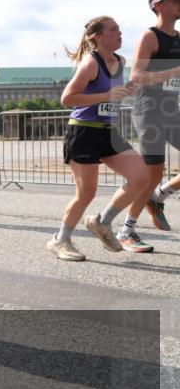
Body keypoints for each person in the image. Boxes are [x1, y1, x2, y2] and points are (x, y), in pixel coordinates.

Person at [47, 16, 147, 260]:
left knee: (140, 177)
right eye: (114, 29)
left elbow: (111, 95)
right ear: (98, 37)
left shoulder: (120, 61)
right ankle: (60, 240)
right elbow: (67, 98)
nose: (120, 33)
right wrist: (106, 94)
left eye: (120, 29)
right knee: (86, 193)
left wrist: (125, 90)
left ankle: (102, 222)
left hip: (107, 131)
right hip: (83, 130)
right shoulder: (91, 63)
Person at [120, 0, 180, 240]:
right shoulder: (150, 36)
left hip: (171, 109)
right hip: (149, 110)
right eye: (175, 0)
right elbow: (137, 77)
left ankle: (159, 197)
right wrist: (173, 72)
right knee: (153, 172)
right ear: (159, 5)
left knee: (156, 179)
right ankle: (126, 229)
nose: (179, 3)